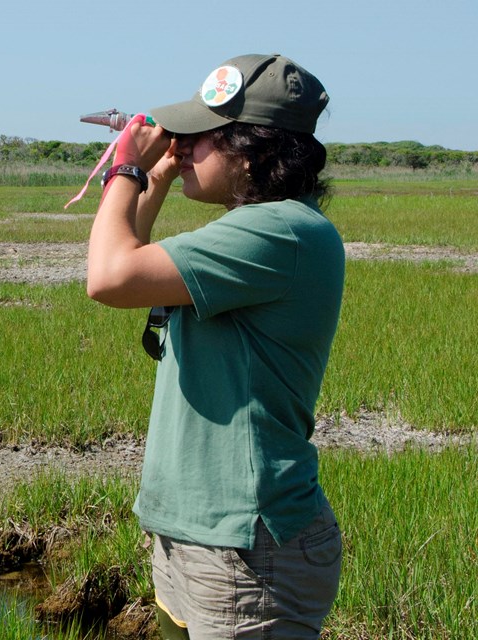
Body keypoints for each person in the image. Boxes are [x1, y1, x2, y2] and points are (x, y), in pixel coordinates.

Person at [87, 53, 345, 640]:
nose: (179, 150)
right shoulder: (253, 229)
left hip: (246, 549)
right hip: (196, 534)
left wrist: (124, 169)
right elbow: (129, 259)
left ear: (252, 150)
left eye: (198, 139)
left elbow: (108, 277)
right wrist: (152, 178)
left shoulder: (280, 231)